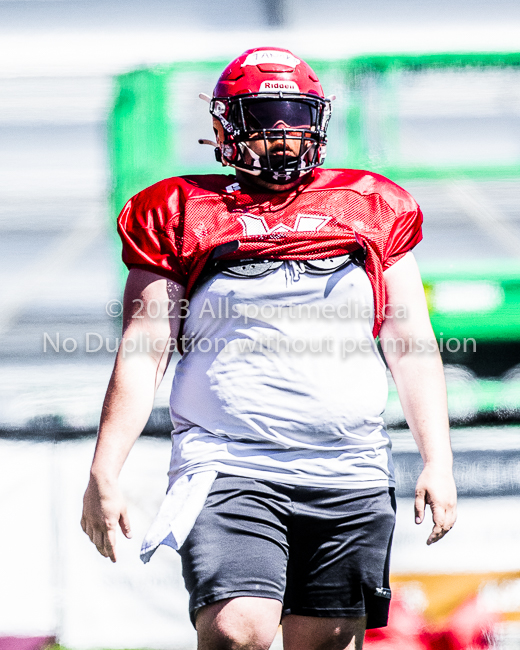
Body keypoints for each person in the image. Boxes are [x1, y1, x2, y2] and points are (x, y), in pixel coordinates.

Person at [81, 47, 457, 650]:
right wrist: (105, 468)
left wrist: (437, 459)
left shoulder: (372, 204)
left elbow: (411, 344)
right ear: (225, 124)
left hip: (347, 464)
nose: (284, 134)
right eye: (264, 115)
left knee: (326, 640)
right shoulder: (180, 210)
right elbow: (144, 348)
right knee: (237, 630)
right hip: (230, 463)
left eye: (296, 114)